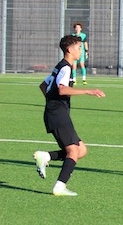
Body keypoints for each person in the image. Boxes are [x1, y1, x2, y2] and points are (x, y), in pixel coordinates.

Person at [33, 34, 106, 196]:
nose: (81, 51)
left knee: (81, 150)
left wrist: (52, 102)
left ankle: (46, 156)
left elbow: (43, 85)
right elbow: (61, 89)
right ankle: (60, 186)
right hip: (57, 115)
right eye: (78, 48)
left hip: (56, 113)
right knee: (73, 151)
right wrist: (87, 91)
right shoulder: (65, 68)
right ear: (69, 49)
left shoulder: (61, 66)